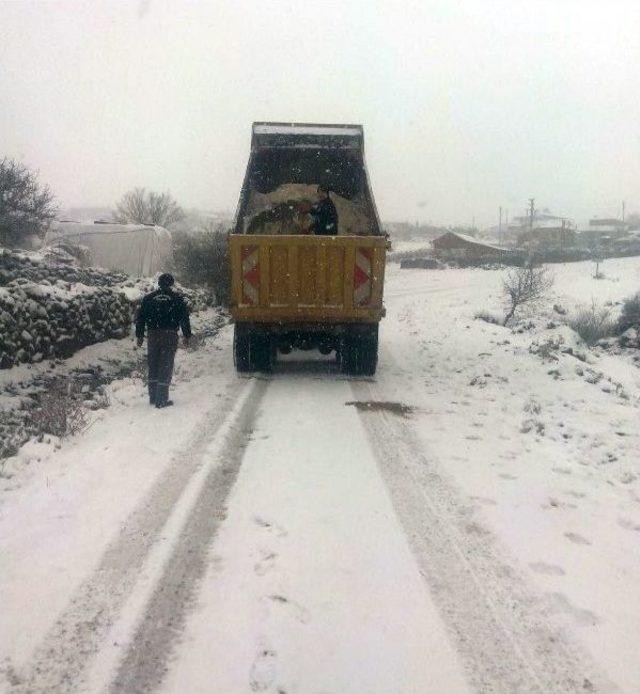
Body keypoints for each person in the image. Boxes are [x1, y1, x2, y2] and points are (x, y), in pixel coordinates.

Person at [135, 273, 191, 408]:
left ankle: (153, 397)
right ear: (171, 284)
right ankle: (162, 400)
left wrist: (140, 335)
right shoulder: (177, 299)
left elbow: (140, 318)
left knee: (153, 363)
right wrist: (187, 335)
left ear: (159, 283)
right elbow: (184, 318)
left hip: (153, 335)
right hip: (170, 335)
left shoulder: (148, 298)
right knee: (165, 365)